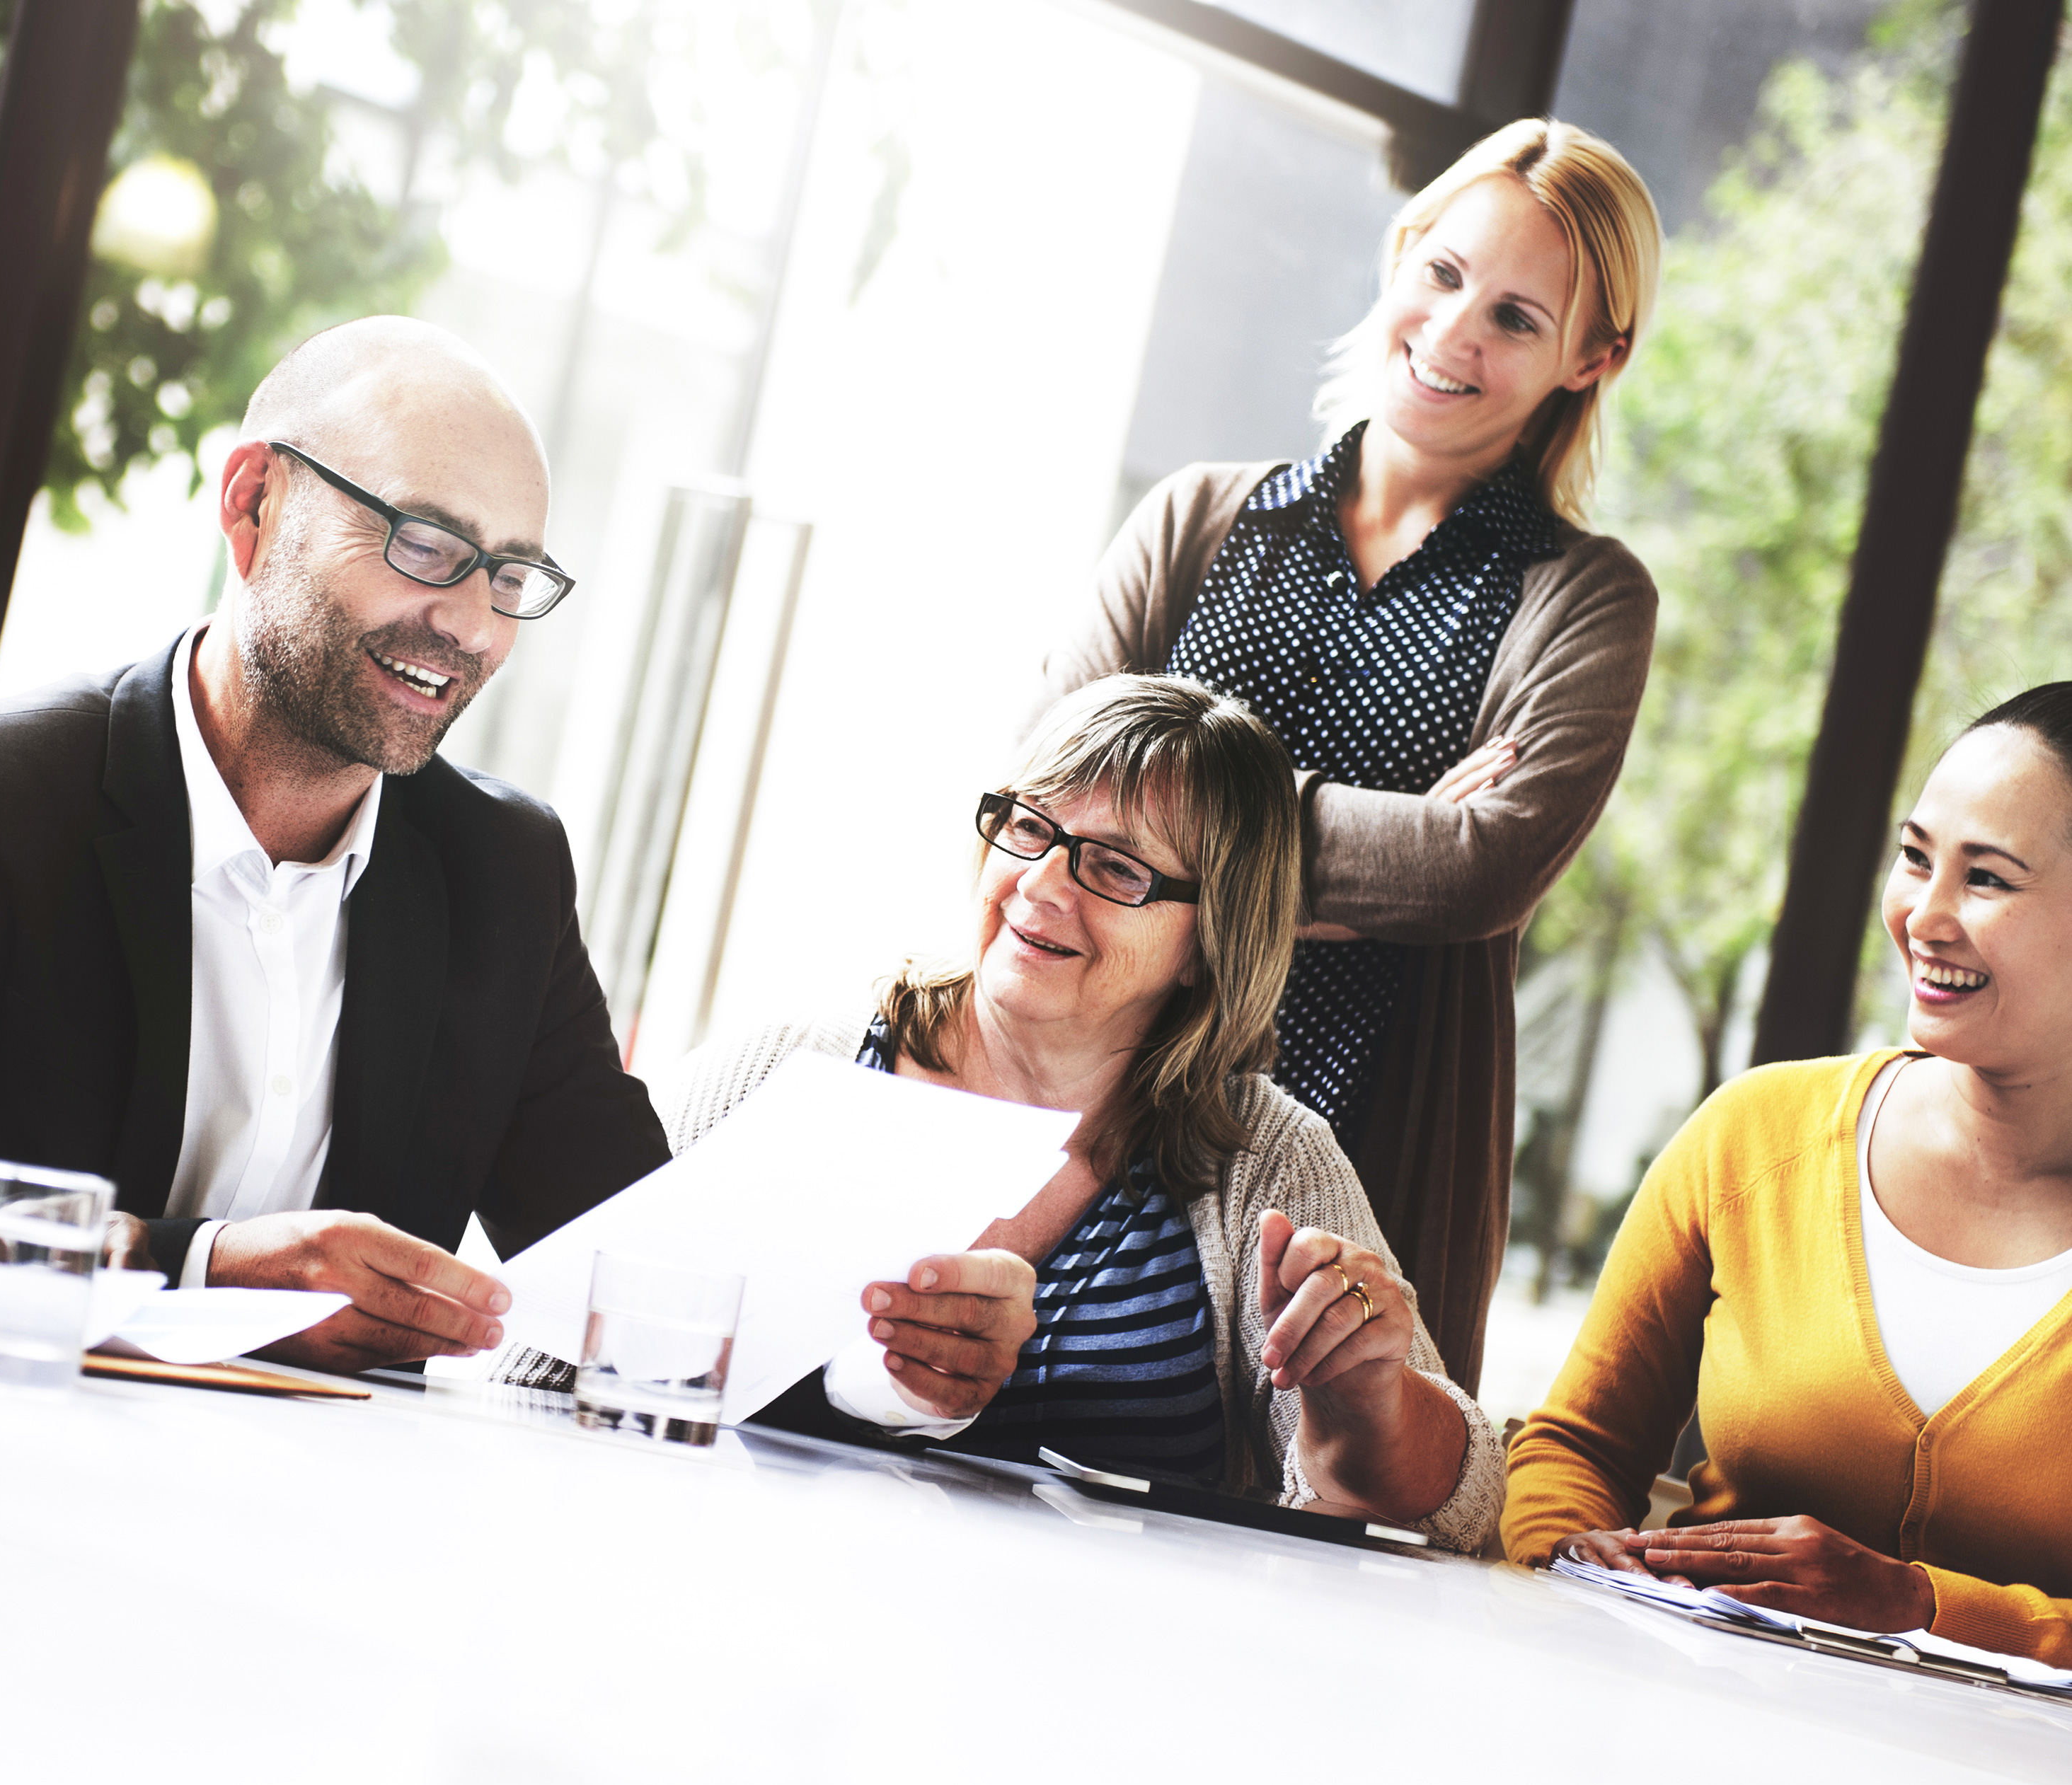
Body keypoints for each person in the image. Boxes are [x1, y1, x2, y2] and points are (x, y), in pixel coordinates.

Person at [0, 317, 671, 1375]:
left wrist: (893, 1365)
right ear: (253, 506)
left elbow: (650, 1275)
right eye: (425, 546)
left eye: (509, 576)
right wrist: (197, 1269)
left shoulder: (503, 873)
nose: (473, 626)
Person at [531, 674, 1501, 1548]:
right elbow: (536, 1367)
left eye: (1117, 868)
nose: (1039, 884)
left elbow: (1462, 1505)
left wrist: (1369, 1395)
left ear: (1209, 940)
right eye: (1029, 828)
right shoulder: (786, 1066)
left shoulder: (1264, 1155)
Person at [1033, 120, 1664, 1393]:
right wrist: (1367, 852)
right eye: (1439, 276)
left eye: (1514, 318)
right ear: (1397, 258)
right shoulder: (1195, 519)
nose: (1451, 336)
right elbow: (1055, 791)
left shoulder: (1583, 598)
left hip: (1377, 1143)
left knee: (1307, 1522)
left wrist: (1174, 864)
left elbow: (1473, 873)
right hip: (1104, 1099)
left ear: (1592, 358)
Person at [1504, 686, 2072, 1663]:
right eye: (1914, 856)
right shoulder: (1754, 1133)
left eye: (1985, 879)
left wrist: (1919, 1602)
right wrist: (1573, 1558)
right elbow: (1576, 1446)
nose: (1920, 916)